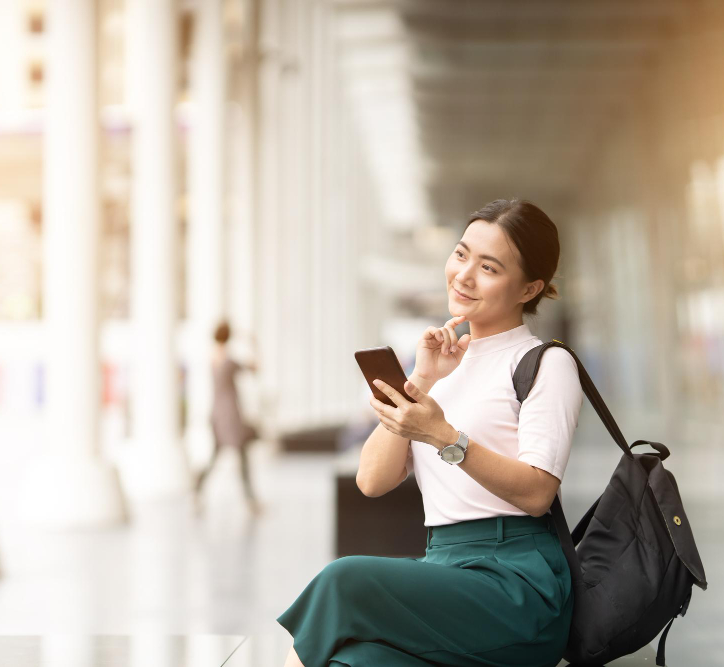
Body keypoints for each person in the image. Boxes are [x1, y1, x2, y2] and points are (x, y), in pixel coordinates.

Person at [278, 199, 582, 666]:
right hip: (443, 571)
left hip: (517, 585)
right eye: (461, 255)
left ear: (529, 288)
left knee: (344, 581)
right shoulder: (440, 365)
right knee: (354, 662)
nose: (464, 275)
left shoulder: (544, 363)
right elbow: (372, 481)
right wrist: (420, 381)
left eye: (489, 267)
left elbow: (538, 492)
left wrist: (444, 436)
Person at [193, 320, 262, 515]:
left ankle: (197, 491)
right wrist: (253, 343)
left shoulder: (213, 358)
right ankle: (250, 501)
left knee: (217, 457)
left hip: (216, 414)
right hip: (230, 416)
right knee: (240, 457)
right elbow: (254, 368)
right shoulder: (229, 361)